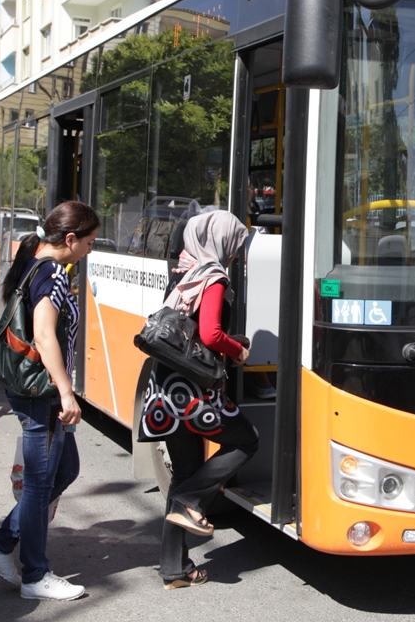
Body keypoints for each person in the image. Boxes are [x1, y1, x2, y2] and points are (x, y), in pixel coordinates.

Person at [0, 200, 99, 602]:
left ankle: (1, 545)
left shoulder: (35, 263)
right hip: (41, 392)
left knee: (65, 469)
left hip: (35, 389)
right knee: (39, 484)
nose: (90, 250)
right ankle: (34, 574)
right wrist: (66, 391)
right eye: (89, 242)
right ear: (71, 239)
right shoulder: (53, 273)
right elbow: (44, 335)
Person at [138, 210, 259, 590]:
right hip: (194, 393)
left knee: (185, 472)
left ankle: (174, 569)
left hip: (166, 389)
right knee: (246, 440)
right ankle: (191, 500)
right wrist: (237, 350)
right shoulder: (213, 277)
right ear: (222, 242)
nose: (236, 253)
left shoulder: (184, 272)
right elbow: (209, 334)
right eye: (236, 244)